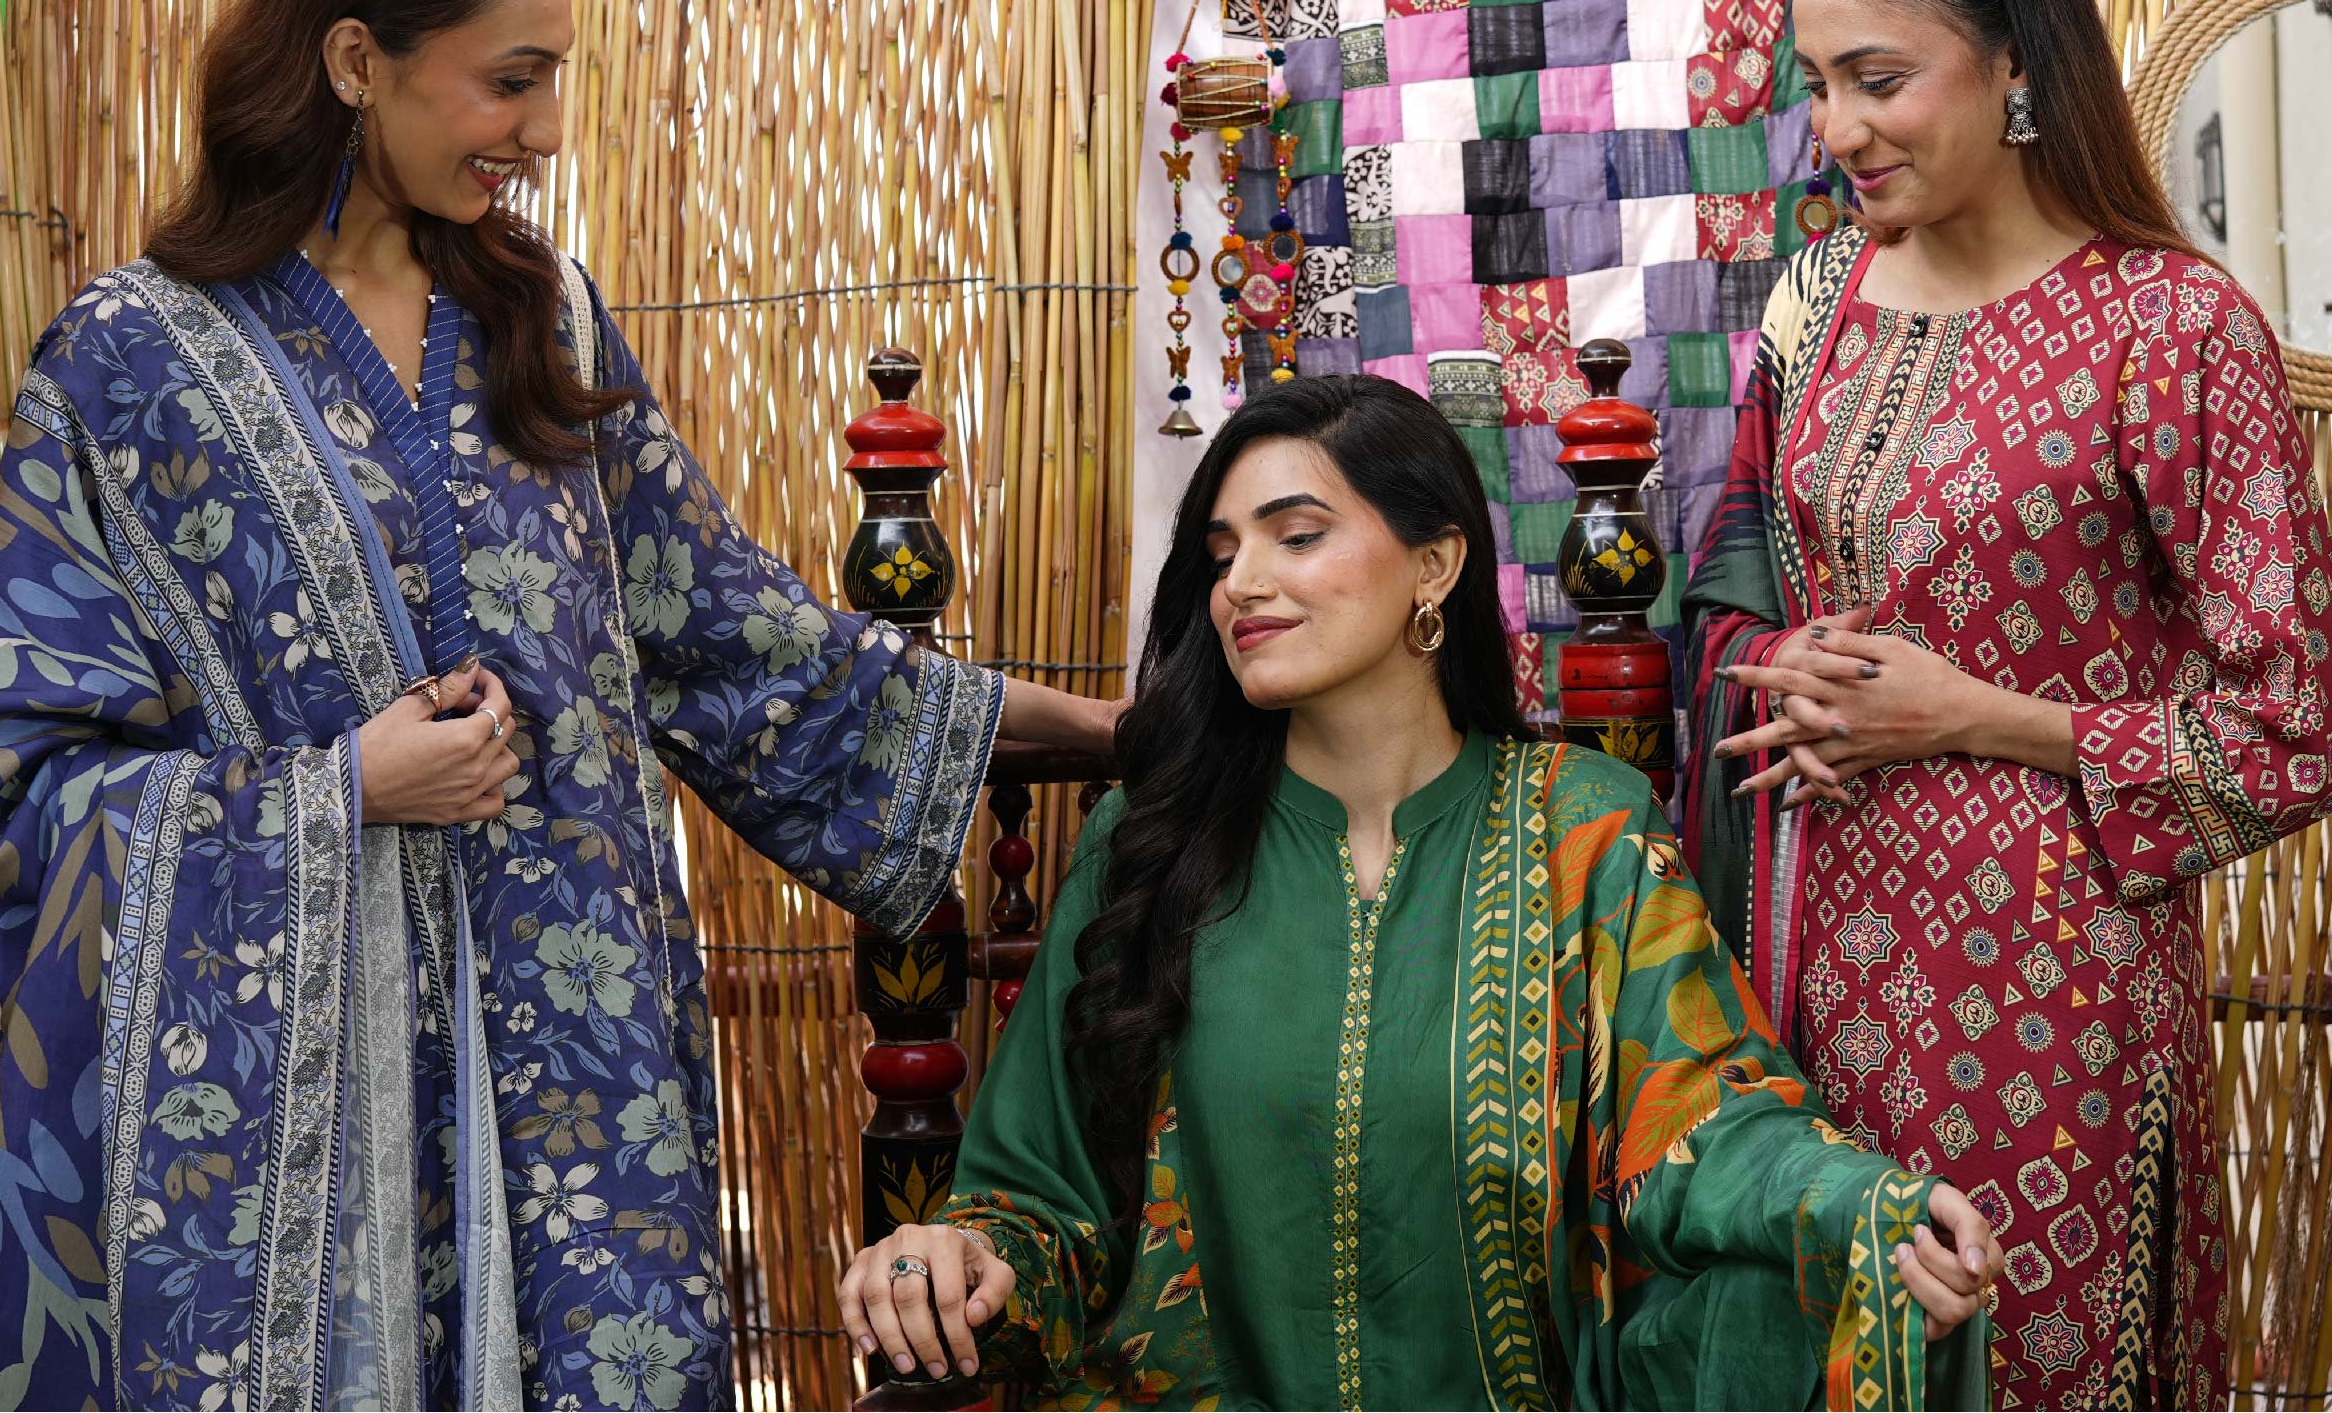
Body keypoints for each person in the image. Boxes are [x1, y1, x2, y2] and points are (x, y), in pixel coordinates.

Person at [0, 0, 1114, 1412]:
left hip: (585, 1102)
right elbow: (1, 793)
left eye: (554, 80)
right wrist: (339, 791)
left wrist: (1099, 728)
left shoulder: (543, 321)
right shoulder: (127, 368)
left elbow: (733, 641)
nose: (544, 131)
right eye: (509, 81)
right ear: (357, 60)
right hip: (296, 1156)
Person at [837, 374, 1997, 1411]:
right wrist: (958, 1257)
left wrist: (1862, 1212)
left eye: (1297, 536)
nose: (1242, 582)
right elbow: (1037, 1198)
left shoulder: (1583, 830)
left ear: (1434, 566)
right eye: (1223, 551)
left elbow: (1708, 1121)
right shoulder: (1150, 843)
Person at [1681, 0, 2332, 1409]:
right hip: (1802, 984)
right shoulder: (1817, 299)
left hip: (2057, 1015)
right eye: (1817, 85)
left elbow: (2292, 731)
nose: (1837, 128)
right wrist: (1774, 669)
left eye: (1878, 80)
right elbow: (1731, 591)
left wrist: (1974, 717)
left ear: (2014, 65)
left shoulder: (2171, 332)